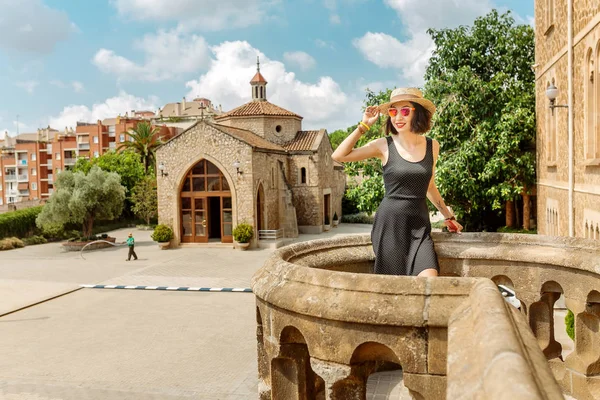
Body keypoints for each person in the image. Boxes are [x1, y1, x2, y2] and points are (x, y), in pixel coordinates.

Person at [332, 87, 463, 277]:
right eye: (393, 111)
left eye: (405, 111)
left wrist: (448, 216)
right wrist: (364, 126)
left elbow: (429, 186)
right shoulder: (384, 145)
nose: (398, 117)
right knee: (396, 289)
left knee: (429, 280)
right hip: (390, 225)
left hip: (419, 225)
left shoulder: (432, 145)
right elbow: (339, 155)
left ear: (417, 113)